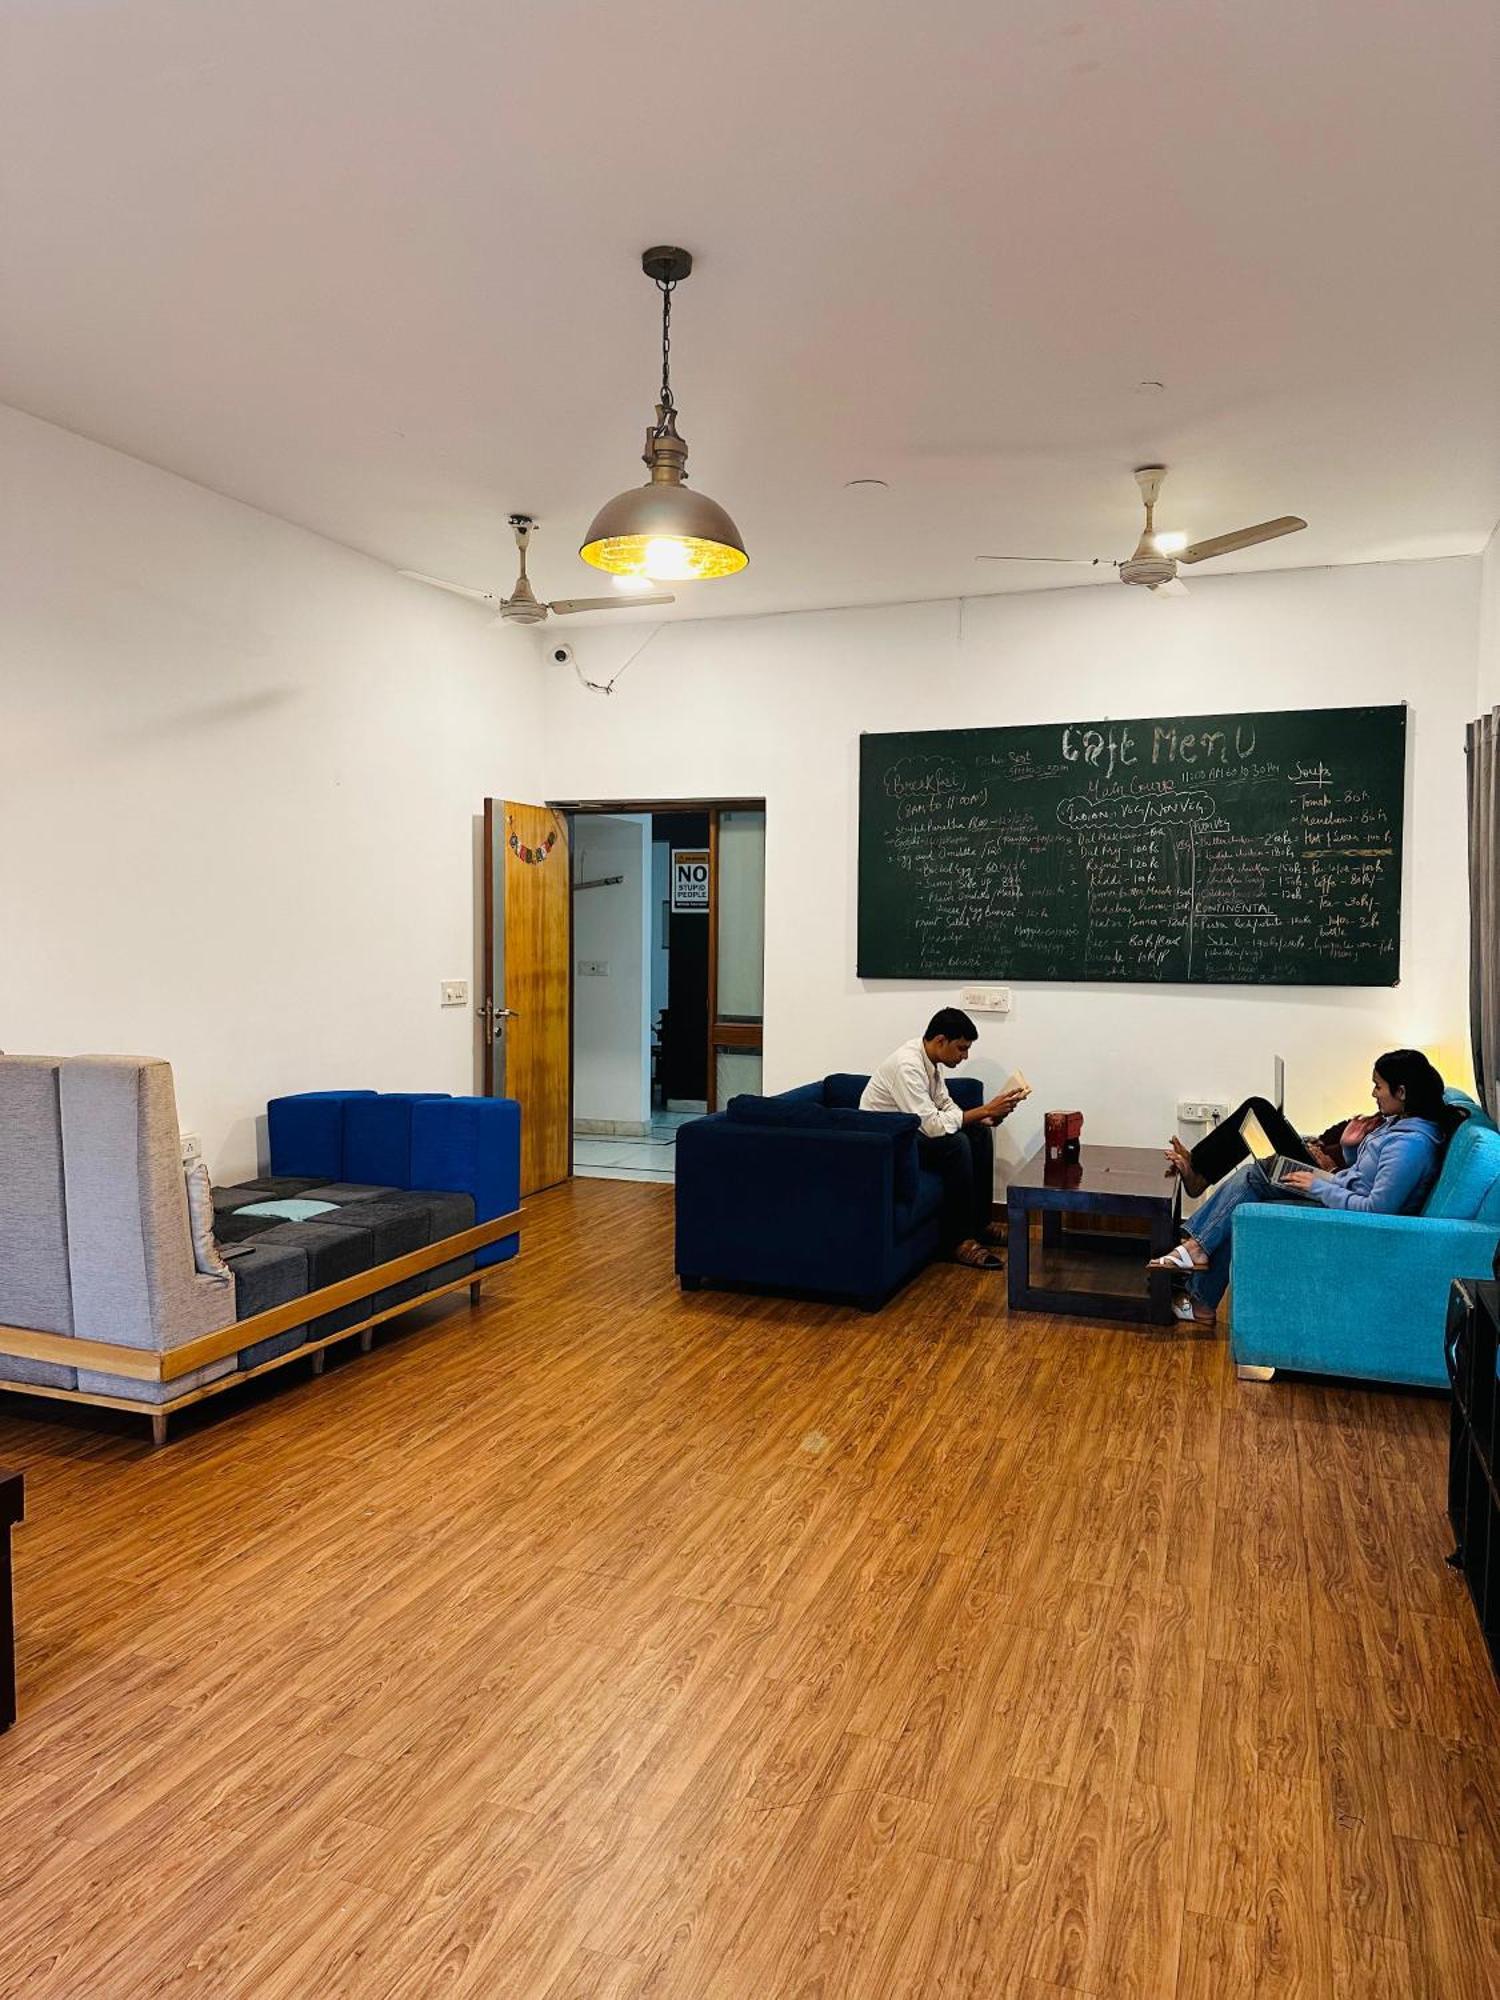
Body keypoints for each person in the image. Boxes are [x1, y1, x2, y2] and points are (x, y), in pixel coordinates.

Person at [1148, 1049, 1462, 1324]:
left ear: (1402, 1091)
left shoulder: (1410, 1146)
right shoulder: (1398, 1124)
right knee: (1255, 1177)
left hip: (1347, 1217)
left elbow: (1376, 1209)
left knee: (1254, 1172)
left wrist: (1319, 1185)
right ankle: (1199, 1277)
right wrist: (1345, 1152)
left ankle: (1197, 1250)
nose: (1373, 1093)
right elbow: (1365, 1177)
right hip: (1335, 1185)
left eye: (1378, 1086)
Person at [861, 1008, 1027, 1270]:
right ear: (941, 1041)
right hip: (887, 1143)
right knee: (956, 1145)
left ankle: (980, 1225)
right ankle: (958, 1241)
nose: (965, 1056)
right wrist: (984, 1109)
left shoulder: (930, 1062)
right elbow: (931, 1126)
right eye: (962, 1048)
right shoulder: (907, 1066)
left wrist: (982, 1118)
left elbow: (945, 1104)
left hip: (911, 1132)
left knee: (979, 1133)